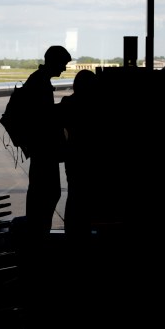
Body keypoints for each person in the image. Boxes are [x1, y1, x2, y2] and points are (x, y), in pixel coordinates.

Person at [23, 45, 72, 241]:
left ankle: (38, 236)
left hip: (40, 151)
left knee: (43, 193)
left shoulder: (38, 80)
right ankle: (38, 238)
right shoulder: (40, 83)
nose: (65, 69)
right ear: (55, 61)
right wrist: (63, 109)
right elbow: (43, 118)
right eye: (63, 64)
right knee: (46, 194)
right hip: (44, 151)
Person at [60, 69, 99, 243]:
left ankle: (73, 234)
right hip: (92, 157)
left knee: (74, 195)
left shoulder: (68, 102)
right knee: (90, 196)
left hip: (74, 156)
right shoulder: (97, 105)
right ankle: (87, 233)